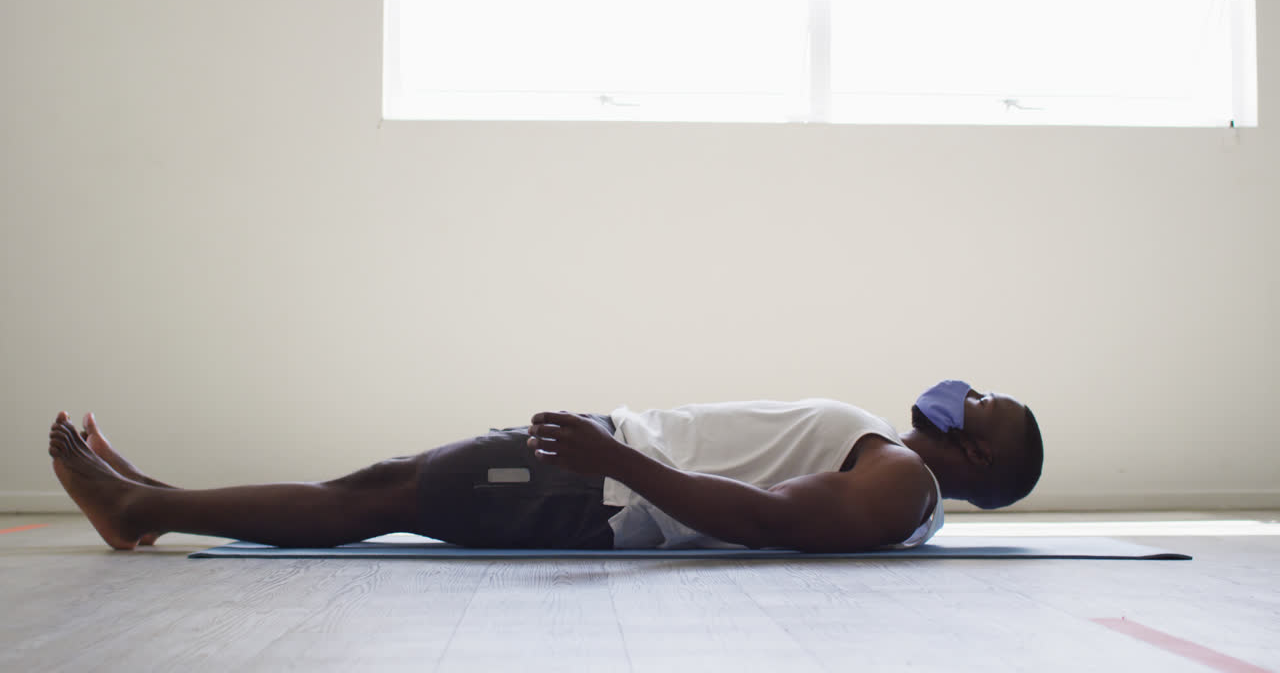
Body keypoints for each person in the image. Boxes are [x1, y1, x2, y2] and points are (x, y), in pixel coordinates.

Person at [46, 380, 1043, 553]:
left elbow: (773, 519)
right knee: (378, 487)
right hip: (603, 473)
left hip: (596, 487)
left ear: (979, 452)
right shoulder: (895, 470)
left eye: (983, 403)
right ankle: (153, 500)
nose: (971, 388)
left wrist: (615, 458)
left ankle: (142, 508)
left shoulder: (902, 483)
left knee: (375, 498)